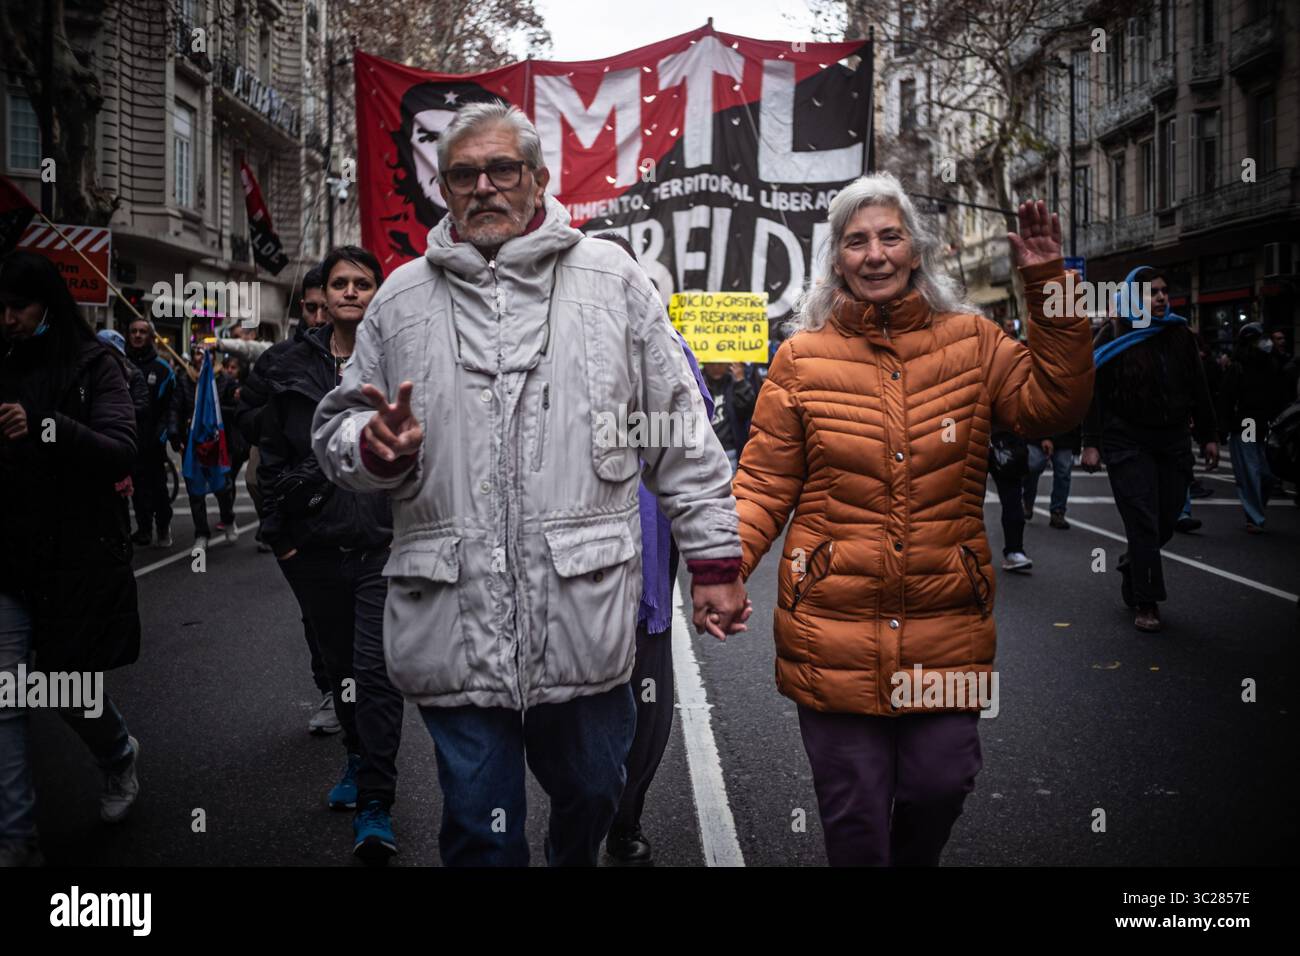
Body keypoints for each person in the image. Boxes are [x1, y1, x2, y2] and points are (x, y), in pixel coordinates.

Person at [312, 102, 748, 867]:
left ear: (539, 178)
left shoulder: (612, 281)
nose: (483, 187)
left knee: (591, 790)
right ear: (443, 189)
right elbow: (336, 429)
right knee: (481, 827)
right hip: (453, 618)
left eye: (501, 169)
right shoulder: (402, 298)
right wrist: (372, 448)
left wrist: (713, 563)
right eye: (462, 174)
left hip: (582, 614)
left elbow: (679, 433)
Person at [731, 175, 1093, 867]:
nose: (874, 254)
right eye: (856, 240)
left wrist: (1054, 282)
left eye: (890, 236)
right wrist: (722, 571)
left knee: (941, 784)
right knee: (854, 813)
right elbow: (764, 483)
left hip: (945, 623)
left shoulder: (975, 340)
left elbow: (1056, 407)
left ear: (917, 250)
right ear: (836, 258)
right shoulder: (801, 359)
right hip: (830, 625)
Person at [255, 245, 406, 862]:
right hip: (313, 549)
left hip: (381, 545)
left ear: (377, 292)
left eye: (362, 283)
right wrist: (281, 538)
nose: (350, 292)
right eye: (339, 283)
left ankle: (376, 802)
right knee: (340, 671)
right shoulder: (285, 364)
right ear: (325, 293)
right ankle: (354, 753)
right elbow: (268, 458)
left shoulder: (401, 361)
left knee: (376, 673)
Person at [0, 252, 144, 867]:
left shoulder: (94, 365)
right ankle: (16, 839)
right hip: (6, 556)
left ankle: (117, 756)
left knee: (64, 689)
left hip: (74, 557)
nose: (6, 319)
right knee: (5, 694)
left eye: (18, 307)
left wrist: (44, 426)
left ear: (47, 307)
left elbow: (120, 449)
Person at [593, 232, 713, 866]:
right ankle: (583, 816)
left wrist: (712, 564)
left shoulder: (670, 350)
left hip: (645, 570)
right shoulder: (541, 348)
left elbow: (696, 459)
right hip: (565, 575)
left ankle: (625, 817)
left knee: (647, 700)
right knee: (575, 711)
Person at [1081, 268, 1218, 632]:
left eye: (1162, 292)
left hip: (1172, 440)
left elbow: (1199, 388)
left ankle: (1133, 562)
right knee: (1142, 518)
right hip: (1126, 441)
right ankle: (1147, 601)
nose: (1160, 298)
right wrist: (1091, 442)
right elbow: (1091, 394)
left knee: (1168, 516)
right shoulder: (1112, 335)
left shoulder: (1179, 335)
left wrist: (1208, 435)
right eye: (1150, 293)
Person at [235, 267, 338, 733]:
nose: (319, 316)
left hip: (355, 514)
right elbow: (247, 416)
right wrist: (285, 419)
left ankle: (366, 729)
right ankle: (331, 691)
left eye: (326, 306)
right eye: (311, 307)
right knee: (317, 612)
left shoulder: (363, 354)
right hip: (300, 510)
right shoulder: (279, 360)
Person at [1218, 322, 1289, 533]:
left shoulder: (1272, 365)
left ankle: (1256, 509)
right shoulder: (1238, 367)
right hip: (1247, 424)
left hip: (1266, 424)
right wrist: (1222, 428)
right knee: (1251, 471)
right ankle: (1254, 516)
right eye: (1260, 339)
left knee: (1268, 474)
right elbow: (1226, 400)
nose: (1266, 343)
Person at [171, 343, 237, 548]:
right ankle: (201, 533)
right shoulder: (184, 380)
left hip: (216, 444)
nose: (201, 357)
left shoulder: (223, 380)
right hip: (192, 444)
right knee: (195, 491)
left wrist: (209, 418)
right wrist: (175, 434)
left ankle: (228, 520)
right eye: (197, 353)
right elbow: (175, 409)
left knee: (222, 488)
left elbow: (234, 409)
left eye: (205, 353)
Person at [124, 316, 178, 546]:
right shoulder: (120, 364)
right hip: (128, 438)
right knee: (136, 488)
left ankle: (163, 526)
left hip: (153, 441)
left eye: (142, 332)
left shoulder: (163, 370)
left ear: (151, 337)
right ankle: (144, 529)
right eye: (133, 331)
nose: (137, 335)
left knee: (158, 489)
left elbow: (170, 408)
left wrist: (162, 434)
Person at [700, 361, 756, 475]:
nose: (716, 367)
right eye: (711, 363)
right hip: (703, 452)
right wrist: (692, 375)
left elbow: (748, 410)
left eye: (720, 363)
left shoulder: (735, 383)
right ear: (704, 363)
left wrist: (740, 382)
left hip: (729, 451)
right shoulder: (697, 383)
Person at [1027, 428, 1079, 530]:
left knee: (1063, 473)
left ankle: (1058, 511)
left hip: (1065, 436)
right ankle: (1027, 501)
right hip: (1041, 432)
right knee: (1032, 467)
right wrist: (1044, 437)